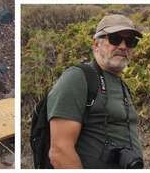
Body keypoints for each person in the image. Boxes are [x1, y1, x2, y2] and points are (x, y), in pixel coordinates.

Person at [46, 14, 143, 169]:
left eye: (131, 41)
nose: (123, 46)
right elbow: (59, 152)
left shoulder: (122, 85)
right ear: (96, 44)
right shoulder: (78, 78)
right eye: (115, 39)